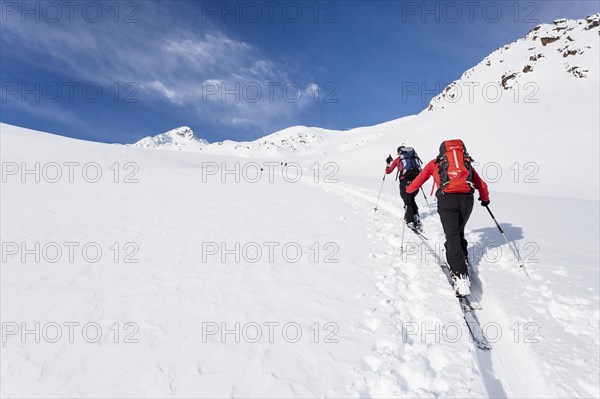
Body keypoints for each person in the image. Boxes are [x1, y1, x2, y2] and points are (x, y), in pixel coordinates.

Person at [406, 139, 489, 297]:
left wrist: (409, 190)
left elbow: (418, 181)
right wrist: (485, 199)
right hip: (467, 200)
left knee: (452, 237)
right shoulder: (466, 163)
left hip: (447, 200)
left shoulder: (435, 163)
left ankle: (460, 276)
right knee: (459, 232)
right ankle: (463, 260)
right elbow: (481, 184)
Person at [385, 146, 423, 231]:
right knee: (411, 198)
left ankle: (410, 221)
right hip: (416, 181)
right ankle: (416, 216)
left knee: (407, 201)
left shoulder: (398, 159)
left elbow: (388, 171)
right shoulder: (414, 158)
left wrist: (388, 163)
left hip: (405, 182)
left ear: (399, 152)